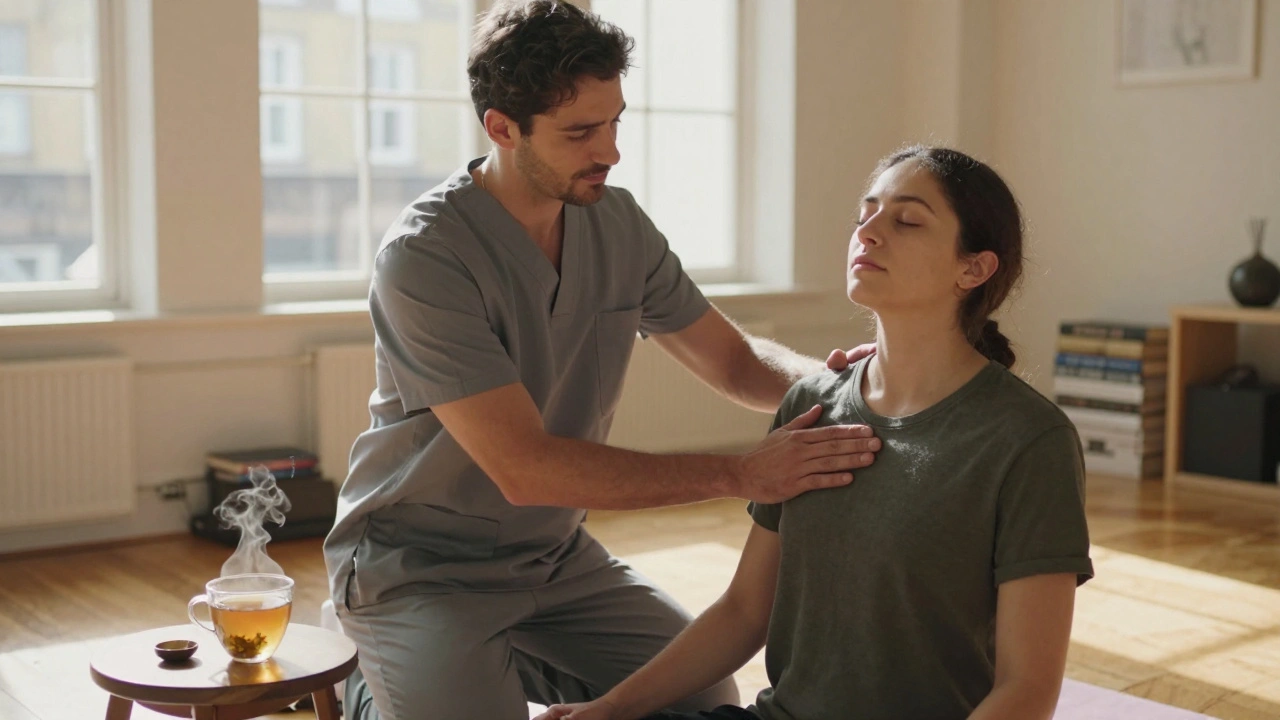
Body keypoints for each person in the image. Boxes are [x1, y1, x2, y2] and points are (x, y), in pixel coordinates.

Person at [322, 2, 881, 718]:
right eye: (580, 131)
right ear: (501, 128)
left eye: (615, 121)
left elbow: (734, 362)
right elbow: (525, 469)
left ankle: (492, 665)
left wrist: (847, 385)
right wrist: (741, 473)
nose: (609, 150)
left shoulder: (616, 222)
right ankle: (372, 676)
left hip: (551, 558)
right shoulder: (425, 256)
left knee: (703, 696)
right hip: (419, 569)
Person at [535, 146, 1095, 720]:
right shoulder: (810, 404)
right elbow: (745, 612)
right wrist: (608, 709)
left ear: (973, 268)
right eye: (865, 214)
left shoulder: (1028, 439)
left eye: (906, 220)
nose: (869, 233)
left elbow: (1026, 689)